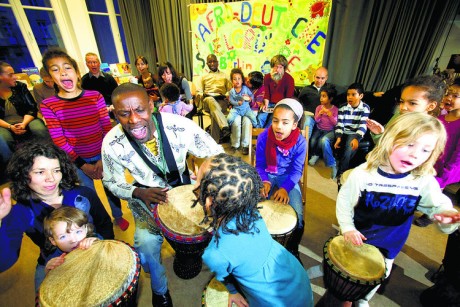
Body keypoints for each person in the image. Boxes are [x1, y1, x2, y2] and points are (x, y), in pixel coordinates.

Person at [101, 83, 223, 307]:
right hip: (144, 199)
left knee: (214, 228)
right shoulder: (111, 142)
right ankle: (160, 290)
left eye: (140, 110)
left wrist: (205, 177)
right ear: (114, 113)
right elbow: (110, 181)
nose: (133, 120)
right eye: (123, 113)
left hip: (185, 192)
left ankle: (188, 255)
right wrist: (137, 191)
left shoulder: (179, 125)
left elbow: (217, 154)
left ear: (151, 105)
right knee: (146, 247)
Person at [336, 112, 460, 307]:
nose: (415, 154)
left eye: (426, 150)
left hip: (389, 246)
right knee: (348, 279)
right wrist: (347, 227)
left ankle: (362, 300)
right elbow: (344, 201)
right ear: (389, 139)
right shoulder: (364, 174)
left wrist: (448, 217)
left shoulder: (423, 181)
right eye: (409, 144)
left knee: (376, 279)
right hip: (357, 239)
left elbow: (440, 205)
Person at [194, 153, 313, 307]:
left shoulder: (214, 253)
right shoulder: (251, 210)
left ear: (209, 201)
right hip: (297, 278)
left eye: (197, 184)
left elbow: (223, 277)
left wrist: (233, 292)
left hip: (275, 301)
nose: (195, 187)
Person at [0, 142, 114, 290]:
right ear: (23, 174)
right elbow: (4, 262)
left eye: (56, 170)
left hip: (93, 250)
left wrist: (103, 245)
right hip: (52, 262)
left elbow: (104, 223)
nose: (51, 178)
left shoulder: (83, 194)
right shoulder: (21, 212)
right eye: (40, 172)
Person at [40, 48, 129, 231]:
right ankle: (94, 225)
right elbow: (59, 140)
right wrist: (83, 165)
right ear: (49, 78)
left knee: (111, 188)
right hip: (75, 161)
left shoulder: (94, 97)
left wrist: (102, 160)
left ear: (77, 72)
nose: (63, 72)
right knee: (86, 195)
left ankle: (117, 216)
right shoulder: (49, 105)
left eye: (67, 67)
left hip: (102, 155)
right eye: (55, 69)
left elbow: (106, 128)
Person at [255, 98, 306, 260]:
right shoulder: (264, 137)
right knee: (254, 207)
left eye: (285, 122)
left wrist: (285, 188)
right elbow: (260, 165)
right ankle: (258, 242)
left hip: (288, 177)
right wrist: (265, 180)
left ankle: (292, 248)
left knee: (297, 217)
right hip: (267, 174)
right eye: (275, 121)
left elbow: (297, 171)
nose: (278, 126)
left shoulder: (300, 142)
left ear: (294, 125)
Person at [415, 78, 460, 227]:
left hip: (447, 166)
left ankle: (430, 214)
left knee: (435, 191)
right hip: (432, 160)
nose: (449, 98)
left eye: (455, 96)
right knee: (422, 185)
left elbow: (458, 155)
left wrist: (447, 172)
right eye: (449, 93)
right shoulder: (440, 118)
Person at [0, 61, 50, 179]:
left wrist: (23, 123)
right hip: (4, 124)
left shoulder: (20, 87)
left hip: (26, 119)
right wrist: (10, 127)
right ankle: (14, 169)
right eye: (10, 74)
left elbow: (32, 108)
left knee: (39, 129)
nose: (15, 76)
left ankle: (47, 158)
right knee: (3, 140)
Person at [367, 75, 445, 145]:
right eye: (402, 101)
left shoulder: (428, 130)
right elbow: (383, 145)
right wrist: (379, 134)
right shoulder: (399, 115)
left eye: (412, 103)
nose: (403, 107)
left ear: (430, 106)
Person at [43, 206, 99, 274]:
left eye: (78, 232)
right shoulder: (55, 258)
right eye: (63, 237)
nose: (73, 240)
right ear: (53, 241)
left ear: (86, 229)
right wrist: (48, 270)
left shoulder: (93, 240)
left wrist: (97, 243)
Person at [334, 82, 370, 180]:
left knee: (349, 148)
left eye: (353, 95)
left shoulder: (365, 108)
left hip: (355, 133)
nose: (350, 97)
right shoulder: (342, 107)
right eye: (348, 95)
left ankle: (341, 173)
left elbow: (363, 125)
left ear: (361, 96)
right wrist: (338, 137)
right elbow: (339, 124)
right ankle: (335, 163)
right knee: (326, 140)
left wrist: (356, 138)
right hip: (343, 131)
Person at [195, 54, 232, 143]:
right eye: (210, 62)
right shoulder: (203, 76)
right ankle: (225, 126)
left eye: (214, 61)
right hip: (208, 101)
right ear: (207, 64)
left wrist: (224, 95)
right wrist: (205, 95)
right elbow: (198, 92)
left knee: (214, 112)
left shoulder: (224, 75)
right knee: (211, 100)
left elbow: (230, 91)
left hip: (221, 101)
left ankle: (214, 142)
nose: (212, 63)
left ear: (217, 62)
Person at [308, 86, 339, 179]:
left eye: (324, 96)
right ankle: (315, 154)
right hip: (319, 128)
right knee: (313, 140)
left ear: (330, 99)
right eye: (321, 96)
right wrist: (320, 114)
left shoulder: (335, 110)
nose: (321, 98)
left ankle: (328, 162)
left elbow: (335, 124)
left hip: (330, 130)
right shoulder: (318, 107)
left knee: (322, 140)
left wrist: (330, 115)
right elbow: (316, 120)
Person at [256, 54, 295, 128]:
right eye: (276, 67)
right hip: (269, 103)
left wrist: (280, 108)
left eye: (280, 67)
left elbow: (288, 98)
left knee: (271, 122)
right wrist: (266, 103)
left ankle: (266, 138)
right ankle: (257, 138)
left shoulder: (289, 79)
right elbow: (266, 93)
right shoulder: (267, 77)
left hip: (281, 105)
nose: (277, 70)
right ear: (272, 67)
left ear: (284, 68)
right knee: (260, 118)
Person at [227, 68, 257, 155]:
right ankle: (235, 144)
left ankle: (245, 145)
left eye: (239, 79)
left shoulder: (245, 88)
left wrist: (250, 98)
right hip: (236, 109)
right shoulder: (232, 92)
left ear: (242, 80)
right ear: (232, 81)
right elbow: (231, 101)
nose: (237, 81)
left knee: (250, 119)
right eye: (234, 79)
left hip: (246, 109)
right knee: (231, 119)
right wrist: (237, 103)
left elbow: (252, 96)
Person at [298, 67, 333, 138]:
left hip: (324, 118)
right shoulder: (306, 89)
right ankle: (304, 146)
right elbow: (298, 103)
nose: (319, 80)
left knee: (314, 142)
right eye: (317, 77)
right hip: (310, 116)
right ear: (314, 77)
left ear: (326, 78)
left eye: (322, 78)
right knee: (307, 121)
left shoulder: (330, 89)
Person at [81, 52, 119, 117]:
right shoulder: (84, 80)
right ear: (86, 64)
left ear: (99, 63)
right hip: (94, 111)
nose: (93, 65)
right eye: (90, 62)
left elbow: (117, 93)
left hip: (111, 108)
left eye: (95, 62)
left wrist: (113, 105)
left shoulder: (109, 78)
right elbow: (83, 100)